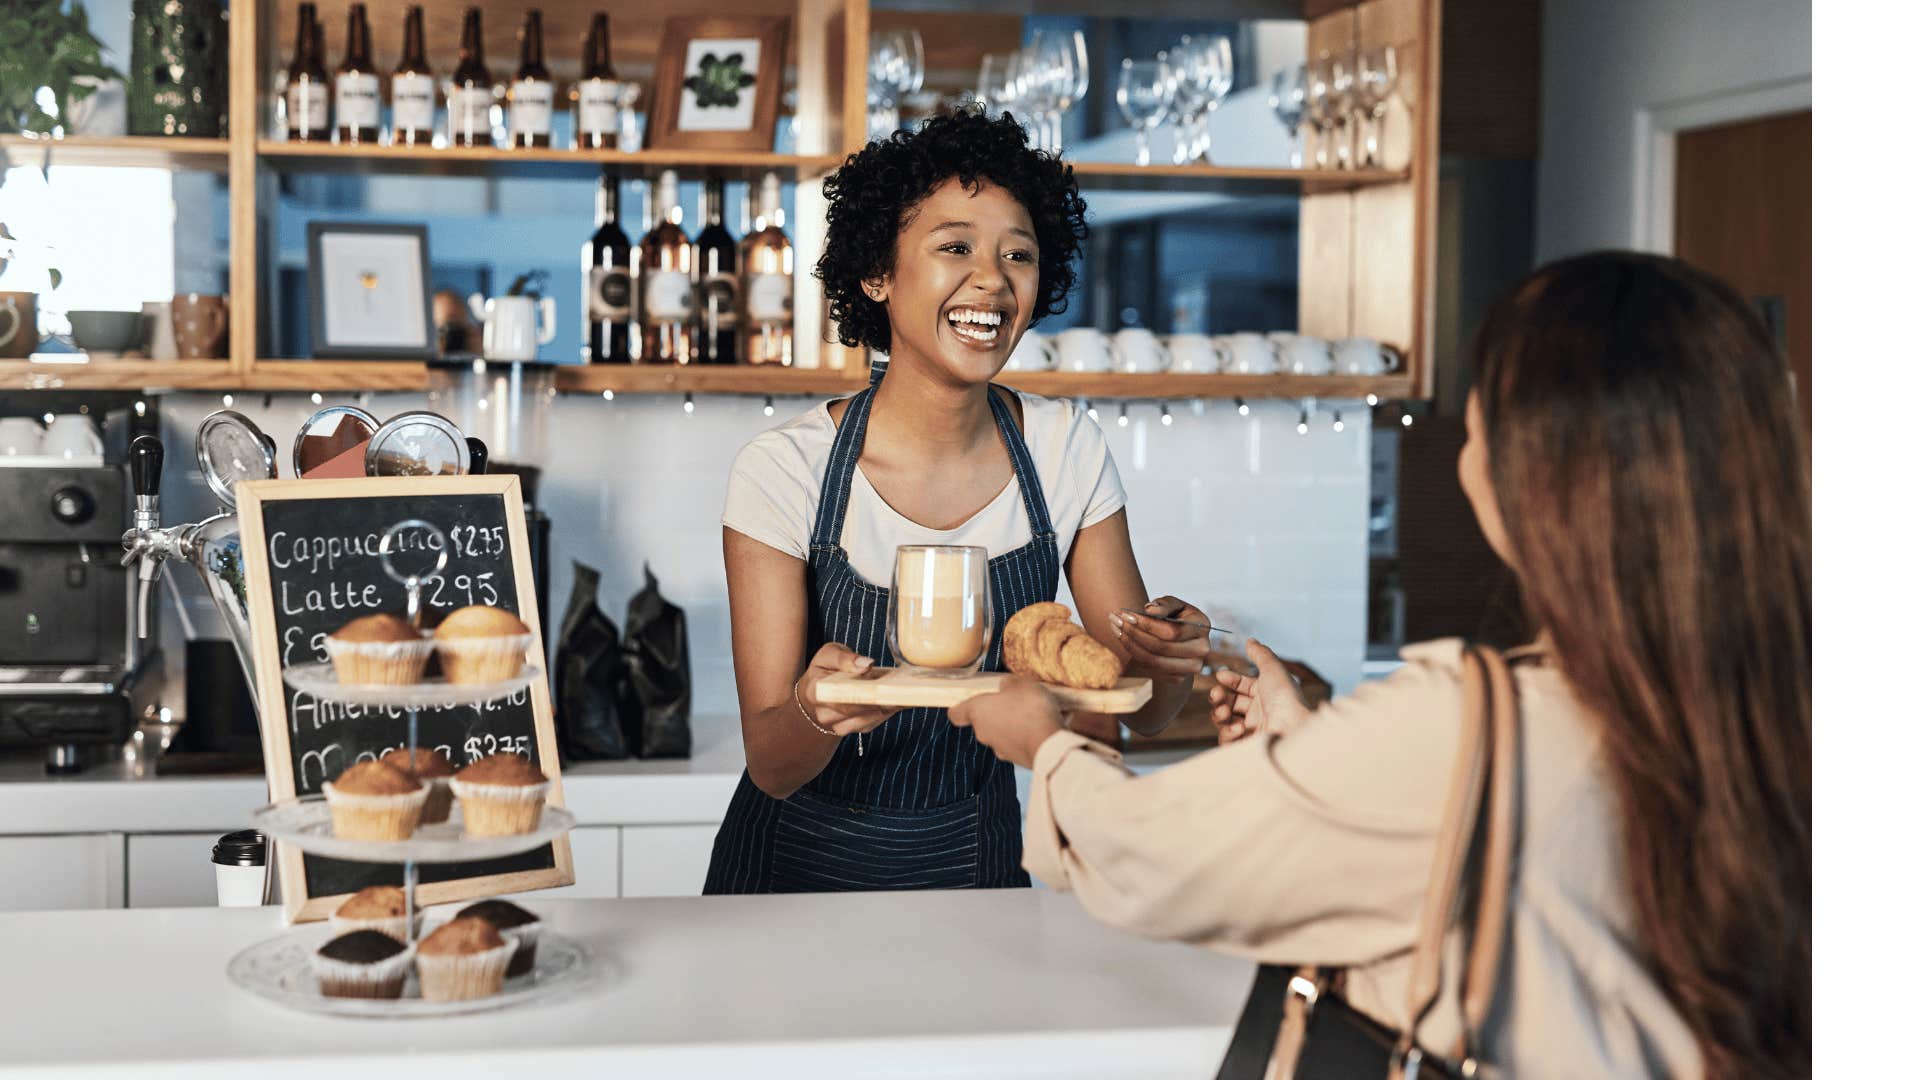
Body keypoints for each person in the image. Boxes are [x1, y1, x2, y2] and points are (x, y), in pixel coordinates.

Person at [952, 252, 1811, 1077]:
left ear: (1537, 484)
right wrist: (1319, 746)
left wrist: (1048, 749)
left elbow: (1156, 855)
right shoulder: (1786, 704)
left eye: (1479, 430)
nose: (1469, 452)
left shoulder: (1465, 723)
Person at [703, 108, 1212, 894]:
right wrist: (815, 710)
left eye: (1019, 254)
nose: (993, 280)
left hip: (976, 868)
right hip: (790, 881)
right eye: (954, 248)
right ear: (876, 272)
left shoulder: (1064, 450)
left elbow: (1136, 709)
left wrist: (1169, 657)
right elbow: (771, 764)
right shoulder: (785, 470)